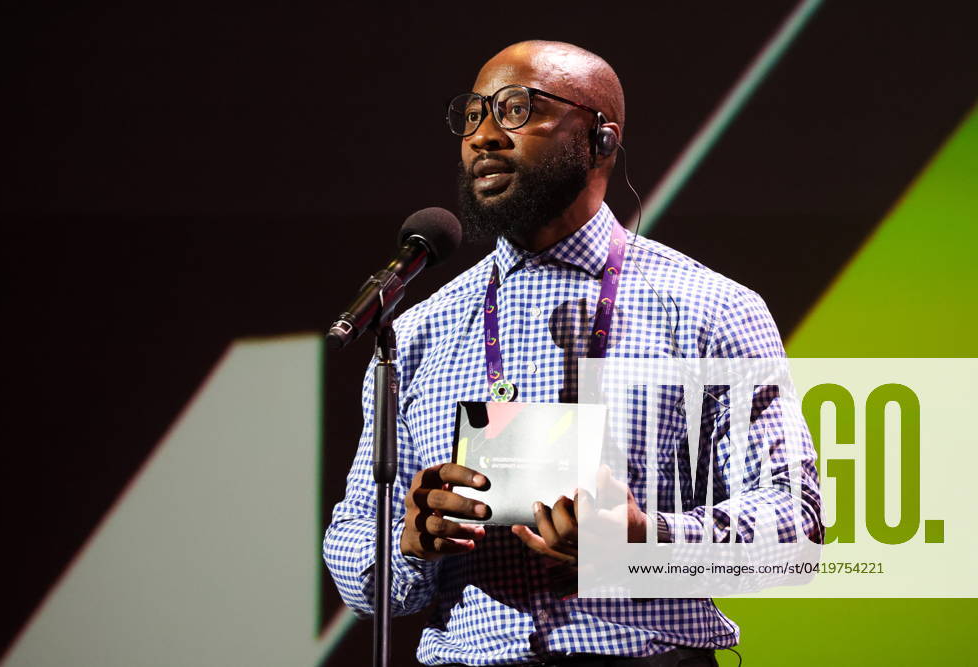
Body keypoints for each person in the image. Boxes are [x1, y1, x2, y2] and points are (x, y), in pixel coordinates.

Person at [324, 40, 823, 666]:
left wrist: (646, 539)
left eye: (515, 109)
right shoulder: (421, 332)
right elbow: (355, 569)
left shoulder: (711, 310)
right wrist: (409, 543)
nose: (484, 136)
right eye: (473, 114)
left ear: (601, 139)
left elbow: (794, 529)